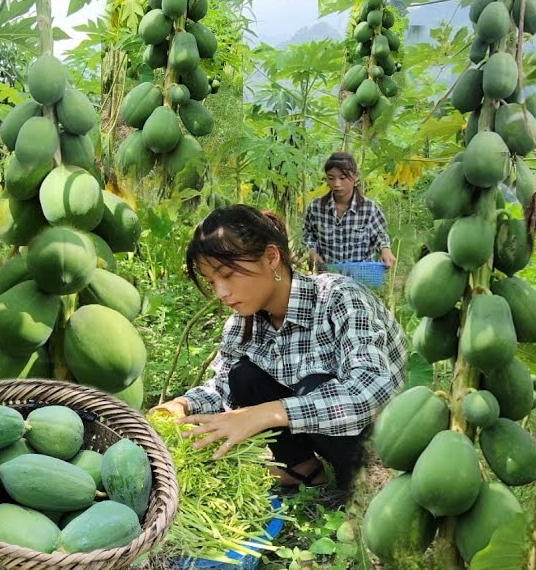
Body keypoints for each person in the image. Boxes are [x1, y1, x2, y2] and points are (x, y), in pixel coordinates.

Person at [151, 204, 408, 500]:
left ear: (271, 258)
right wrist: (182, 405)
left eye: (228, 274)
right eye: (212, 282)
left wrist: (265, 414)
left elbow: (370, 393)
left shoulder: (338, 297)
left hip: (381, 437)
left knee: (314, 385)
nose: (221, 292)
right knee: (243, 376)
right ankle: (307, 472)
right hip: (317, 425)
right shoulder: (242, 324)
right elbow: (222, 389)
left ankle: (356, 482)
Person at [303, 151, 396, 271]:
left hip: (360, 278)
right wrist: (311, 251)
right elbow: (307, 235)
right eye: (331, 178)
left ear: (355, 177)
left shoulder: (369, 209)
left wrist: (385, 250)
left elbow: (379, 235)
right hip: (328, 279)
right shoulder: (316, 208)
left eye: (342, 178)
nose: (337, 184)